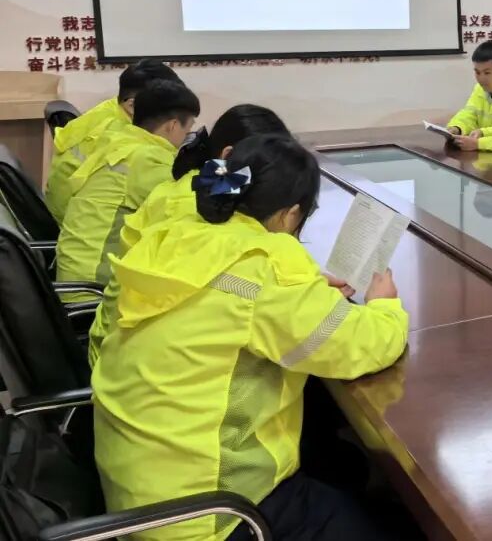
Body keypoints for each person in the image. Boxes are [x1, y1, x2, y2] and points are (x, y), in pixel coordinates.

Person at [92, 134, 409, 541]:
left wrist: (303, 290)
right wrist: (384, 305)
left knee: (334, 462)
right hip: (207, 514)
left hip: (137, 490)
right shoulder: (263, 269)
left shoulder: (179, 231)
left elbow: (239, 297)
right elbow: (359, 346)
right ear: (291, 214)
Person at [85, 104, 291, 370]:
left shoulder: (196, 187)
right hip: (128, 358)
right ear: (228, 156)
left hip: (117, 343)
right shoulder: (199, 212)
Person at [55, 80, 200, 294]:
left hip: (75, 274)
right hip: (95, 288)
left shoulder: (118, 141)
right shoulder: (148, 160)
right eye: (188, 129)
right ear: (173, 125)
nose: (187, 135)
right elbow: (191, 206)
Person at [45, 58, 181, 222]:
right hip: (82, 222)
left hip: (67, 211)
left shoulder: (111, 109)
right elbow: (162, 185)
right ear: (132, 105)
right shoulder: (118, 134)